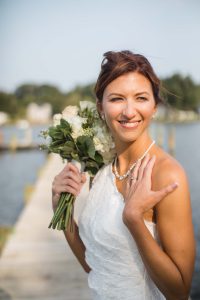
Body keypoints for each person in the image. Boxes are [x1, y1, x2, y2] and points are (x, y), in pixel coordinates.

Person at [52, 50, 196, 299]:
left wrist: (133, 219)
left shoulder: (168, 175)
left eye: (141, 98)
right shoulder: (101, 171)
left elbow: (179, 292)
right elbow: (98, 267)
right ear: (100, 108)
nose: (129, 112)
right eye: (117, 99)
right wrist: (63, 216)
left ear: (154, 106)